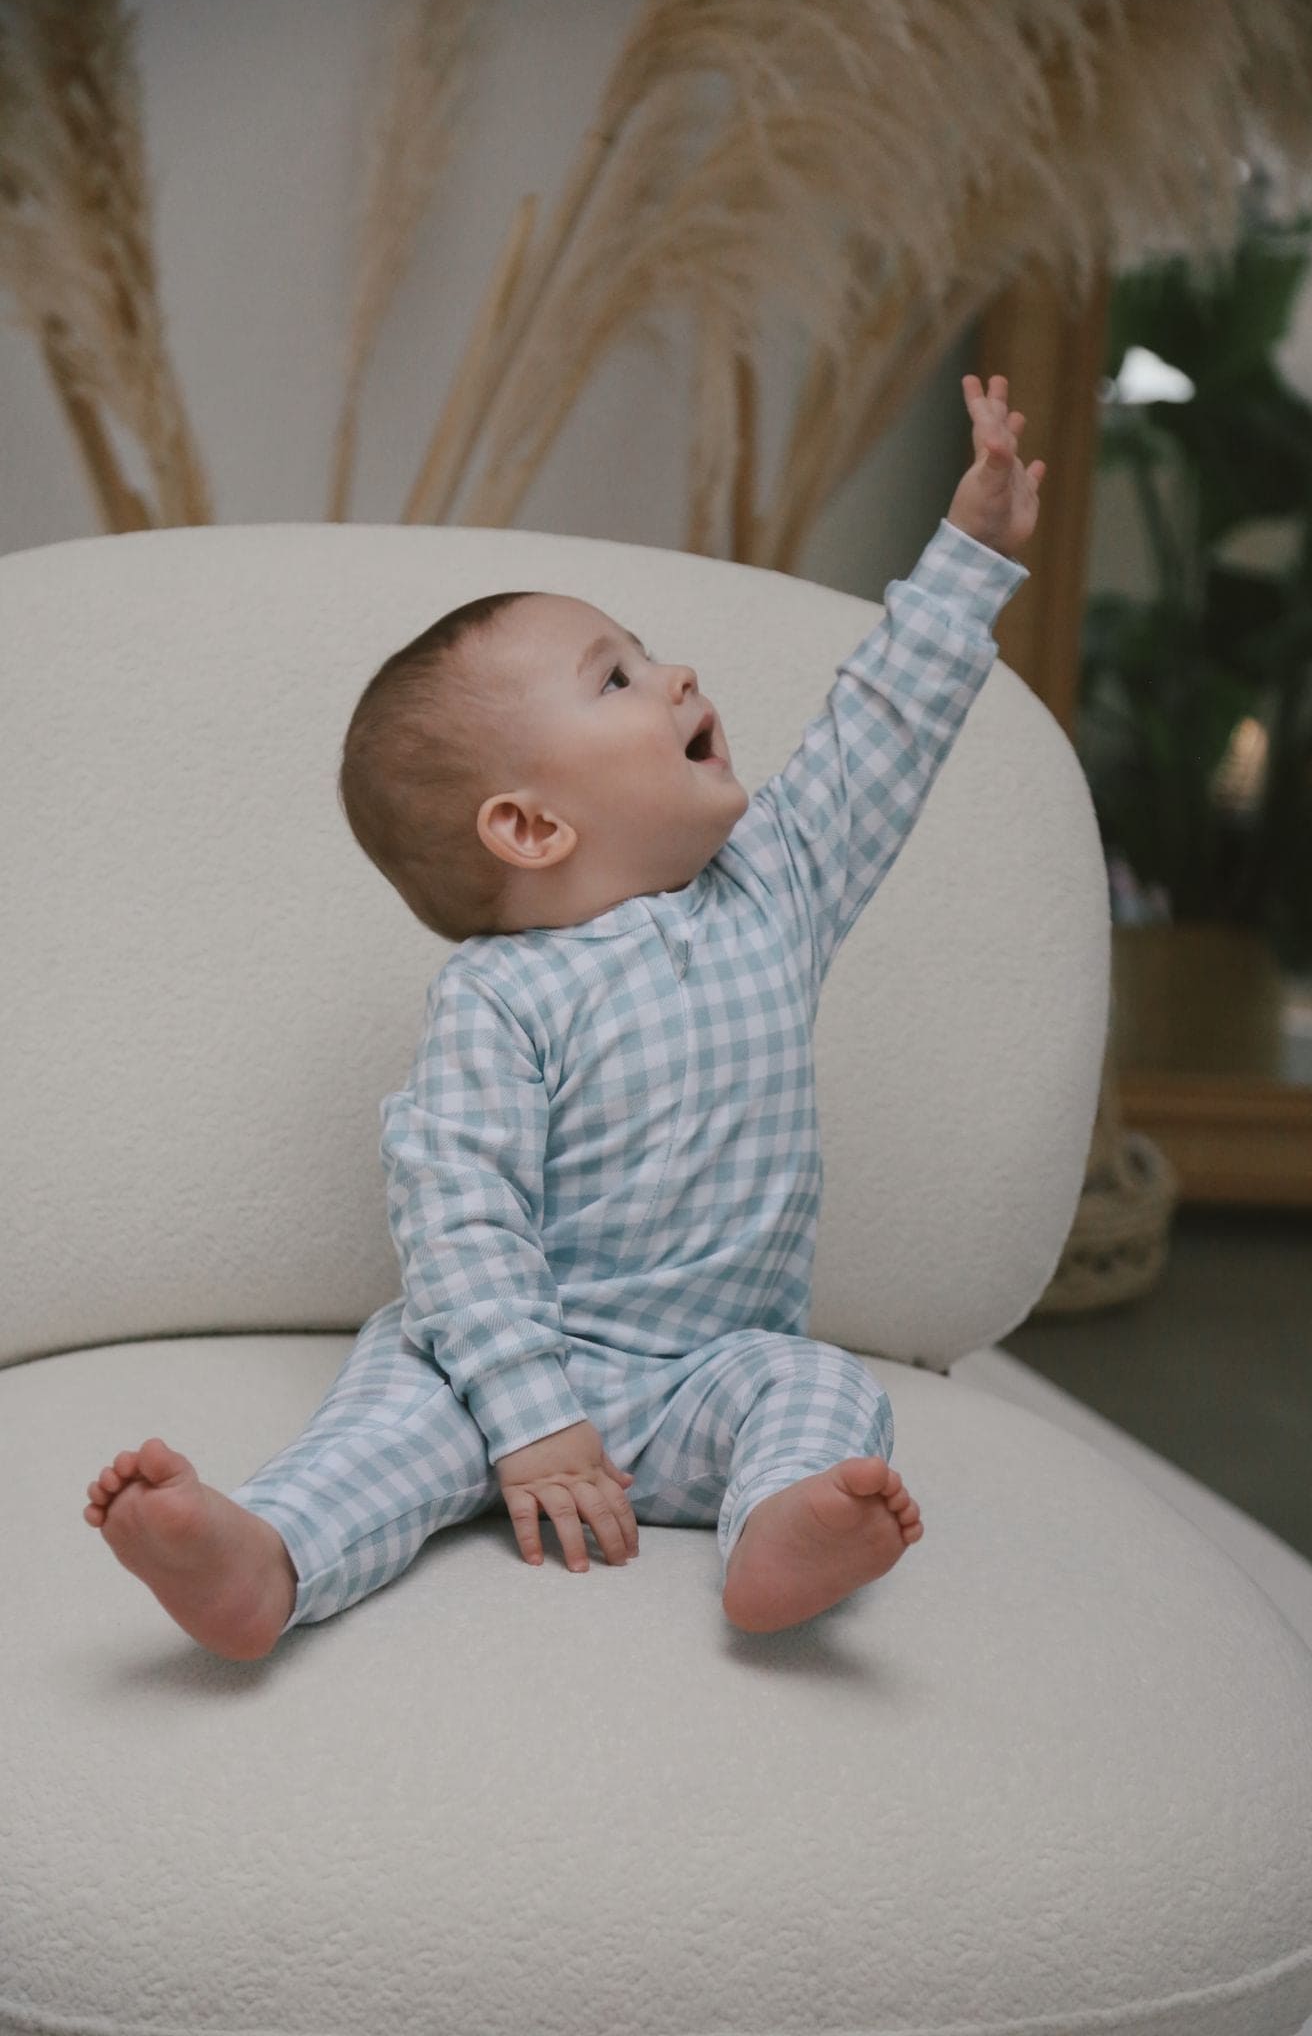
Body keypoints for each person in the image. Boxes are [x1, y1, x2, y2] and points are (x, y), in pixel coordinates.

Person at [82, 374, 1044, 1657]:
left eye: (646, 657)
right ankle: (263, 1554)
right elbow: (460, 1209)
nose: (677, 674)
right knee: (394, 1418)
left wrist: (971, 551)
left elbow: (884, 725)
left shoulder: (776, 886)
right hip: (499, 1361)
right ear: (531, 826)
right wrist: (529, 1412)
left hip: (707, 1368)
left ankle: (780, 1532)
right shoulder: (498, 994)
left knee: (822, 1390)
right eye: (619, 678)